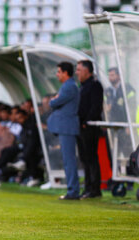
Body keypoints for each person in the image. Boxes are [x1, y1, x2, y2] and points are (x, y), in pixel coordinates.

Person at [47, 62, 80, 200]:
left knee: (69, 160)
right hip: (65, 128)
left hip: (67, 128)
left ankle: (73, 191)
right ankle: (71, 190)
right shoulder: (67, 86)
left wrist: (54, 100)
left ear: (66, 73)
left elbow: (54, 102)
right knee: (67, 160)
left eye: (59, 72)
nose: (57, 74)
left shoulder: (69, 87)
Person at [76, 60, 104, 199]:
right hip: (80, 127)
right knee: (84, 158)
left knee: (91, 157)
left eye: (79, 70)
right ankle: (87, 187)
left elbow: (96, 106)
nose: (77, 73)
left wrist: (87, 122)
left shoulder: (95, 85)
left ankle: (94, 188)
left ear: (87, 71)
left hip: (89, 127)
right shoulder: (82, 87)